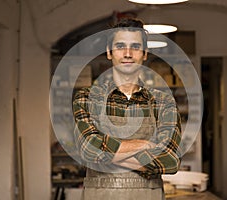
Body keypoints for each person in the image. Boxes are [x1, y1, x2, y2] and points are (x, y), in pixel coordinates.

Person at [72, 18, 182, 200]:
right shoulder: (88, 98)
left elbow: (170, 160)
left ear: (145, 53)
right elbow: (88, 151)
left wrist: (108, 156)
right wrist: (145, 145)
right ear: (109, 52)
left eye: (136, 47)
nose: (128, 54)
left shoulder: (163, 102)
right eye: (120, 46)